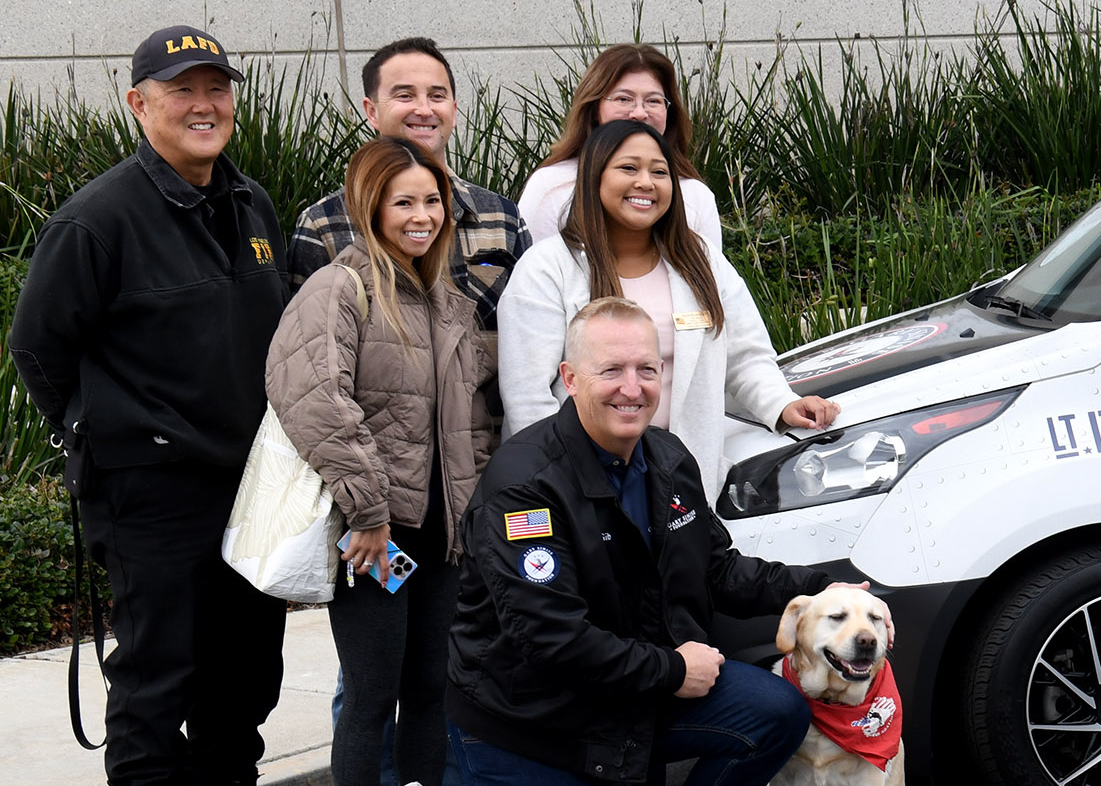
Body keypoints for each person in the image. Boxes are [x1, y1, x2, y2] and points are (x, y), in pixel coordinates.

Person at [374, 298, 842, 786]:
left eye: (646, 369)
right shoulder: (524, 487)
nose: (633, 387)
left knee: (775, 708)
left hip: (627, 698)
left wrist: (823, 590)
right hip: (531, 722)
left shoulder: (667, 459)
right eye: (611, 370)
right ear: (569, 378)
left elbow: (719, 570)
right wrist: (675, 669)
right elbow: (550, 637)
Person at [8, 27, 308, 786]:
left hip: (248, 487)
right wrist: (106, 433)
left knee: (244, 669)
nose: (204, 103)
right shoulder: (97, 221)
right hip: (151, 490)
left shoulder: (249, 206)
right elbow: (37, 348)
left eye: (216, 87)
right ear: (139, 104)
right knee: (158, 673)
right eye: (182, 90)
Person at [265, 138, 496, 786]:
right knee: (371, 693)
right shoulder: (340, 289)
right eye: (404, 202)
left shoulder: (454, 305)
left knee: (430, 689)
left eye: (433, 201)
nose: (423, 215)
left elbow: (472, 427)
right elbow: (314, 400)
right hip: (375, 537)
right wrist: (366, 508)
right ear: (370, 208)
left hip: (441, 536)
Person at [496, 119, 834, 490]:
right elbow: (527, 396)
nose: (646, 182)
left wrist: (782, 405)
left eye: (659, 171)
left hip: (683, 483)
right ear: (594, 177)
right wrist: (568, 477)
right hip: (579, 484)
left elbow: (746, 356)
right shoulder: (548, 267)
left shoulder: (699, 259)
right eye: (628, 168)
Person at [286, 36, 527, 327]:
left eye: (437, 96)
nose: (424, 110)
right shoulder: (323, 224)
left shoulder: (503, 218)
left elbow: (529, 332)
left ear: (454, 110)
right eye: (405, 96)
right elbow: (310, 345)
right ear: (371, 110)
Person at [513, 43, 729, 256]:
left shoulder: (695, 195)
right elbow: (528, 274)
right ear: (594, 108)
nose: (639, 113)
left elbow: (711, 282)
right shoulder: (551, 186)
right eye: (623, 99)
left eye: (653, 101)